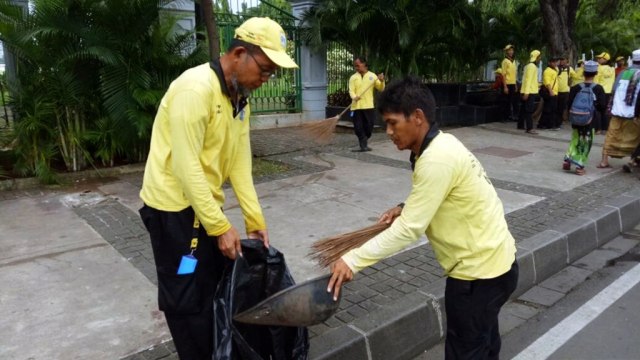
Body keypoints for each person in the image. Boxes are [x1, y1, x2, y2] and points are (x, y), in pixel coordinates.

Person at [138, 17, 298, 360]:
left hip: (203, 207)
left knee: (211, 291)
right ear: (239, 53)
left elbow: (240, 163)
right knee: (186, 295)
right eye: (265, 70)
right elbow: (186, 166)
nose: (265, 80)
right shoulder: (194, 90)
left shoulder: (239, 99)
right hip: (173, 214)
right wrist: (220, 226)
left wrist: (254, 219)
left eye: (272, 74)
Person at [328, 76, 518, 360]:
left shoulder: (435, 159)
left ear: (417, 117)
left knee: (466, 352)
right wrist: (406, 206)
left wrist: (352, 260)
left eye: (393, 123)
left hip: (476, 278)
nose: (389, 131)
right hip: (499, 265)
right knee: (484, 344)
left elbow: (409, 230)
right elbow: (442, 193)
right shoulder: (443, 144)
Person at [597, 49, 640, 169]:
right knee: (636, 138)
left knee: (612, 135)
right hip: (635, 112)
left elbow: (614, 90)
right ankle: (634, 160)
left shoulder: (623, 73)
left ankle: (604, 161)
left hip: (618, 109)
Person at [563, 61, 606, 175]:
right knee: (586, 142)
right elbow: (602, 106)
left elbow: (569, 103)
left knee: (575, 139)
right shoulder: (598, 89)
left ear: (583, 73)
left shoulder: (576, 87)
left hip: (576, 118)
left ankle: (568, 161)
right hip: (590, 120)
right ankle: (579, 166)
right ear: (595, 73)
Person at [349, 57, 385, 151]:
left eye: (358, 65)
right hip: (356, 106)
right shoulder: (353, 77)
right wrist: (354, 97)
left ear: (364, 64)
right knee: (358, 127)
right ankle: (363, 145)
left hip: (368, 106)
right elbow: (351, 90)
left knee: (369, 126)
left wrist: (381, 81)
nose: (356, 67)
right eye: (355, 66)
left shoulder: (372, 76)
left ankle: (364, 141)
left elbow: (381, 88)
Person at [519, 49, 541, 134]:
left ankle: (520, 125)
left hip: (526, 90)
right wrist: (527, 92)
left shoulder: (529, 66)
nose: (540, 59)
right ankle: (529, 128)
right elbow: (528, 80)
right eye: (539, 57)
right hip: (529, 92)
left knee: (523, 109)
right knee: (529, 110)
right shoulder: (532, 67)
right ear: (536, 57)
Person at [594, 52, 615, 134]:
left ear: (605, 59)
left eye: (600, 58)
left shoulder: (599, 68)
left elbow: (596, 81)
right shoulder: (612, 69)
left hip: (600, 91)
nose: (598, 59)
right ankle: (605, 128)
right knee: (606, 111)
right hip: (609, 92)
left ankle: (598, 129)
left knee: (598, 110)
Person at [539, 56, 560, 130]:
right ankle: (546, 124)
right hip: (550, 92)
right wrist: (551, 91)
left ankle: (548, 124)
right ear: (549, 63)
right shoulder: (547, 71)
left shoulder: (555, 70)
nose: (555, 63)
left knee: (552, 109)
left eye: (555, 62)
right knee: (548, 109)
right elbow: (547, 83)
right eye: (553, 62)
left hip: (555, 92)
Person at [501, 44, 519, 122]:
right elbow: (503, 74)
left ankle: (509, 116)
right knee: (505, 101)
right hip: (507, 84)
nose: (511, 52)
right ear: (506, 52)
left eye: (512, 50)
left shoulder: (514, 61)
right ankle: (503, 117)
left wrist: (515, 85)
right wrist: (505, 86)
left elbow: (514, 74)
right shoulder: (505, 61)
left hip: (512, 83)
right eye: (509, 50)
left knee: (512, 101)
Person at [557, 56, 575, 127]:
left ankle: (559, 122)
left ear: (567, 61)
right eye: (561, 60)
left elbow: (575, 76)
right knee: (556, 107)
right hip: (557, 91)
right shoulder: (556, 68)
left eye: (563, 60)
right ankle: (556, 122)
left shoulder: (569, 69)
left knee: (562, 108)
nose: (562, 61)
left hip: (565, 91)